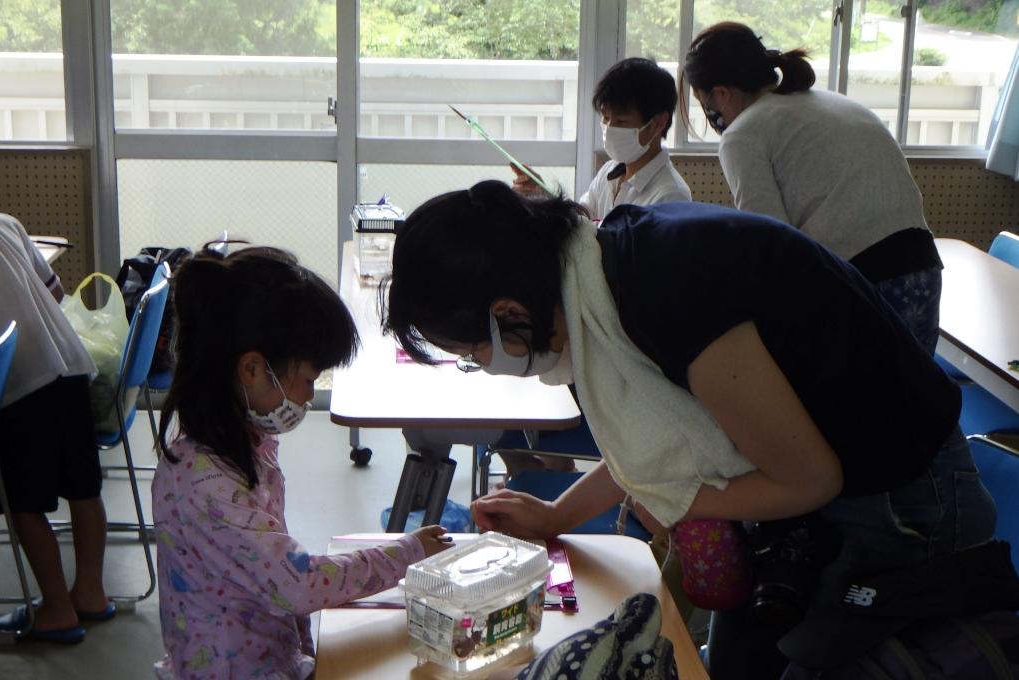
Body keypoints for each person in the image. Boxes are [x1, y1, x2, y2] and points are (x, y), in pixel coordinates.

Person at [382, 181, 1012, 678]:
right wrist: (556, 518)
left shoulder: (665, 283)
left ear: (507, 313)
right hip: (814, 502)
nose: (481, 366)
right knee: (734, 659)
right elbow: (665, 450)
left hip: (902, 506)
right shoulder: (598, 277)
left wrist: (673, 502)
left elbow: (805, 479)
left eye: (471, 350)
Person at [152, 245, 451, 679]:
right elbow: (297, 584)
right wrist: (407, 552)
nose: (309, 396)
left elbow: (273, 579)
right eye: (308, 379)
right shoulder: (203, 481)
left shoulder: (244, 446)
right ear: (252, 369)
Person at [680, 22, 942, 354]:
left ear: (720, 93)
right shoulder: (834, 102)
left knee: (843, 404)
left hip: (859, 282)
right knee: (913, 401)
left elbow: (769, 242)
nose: (712, 114)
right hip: (923, 270)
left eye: (705, 102)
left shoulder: (743, 133)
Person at [0, 213, 113, 644]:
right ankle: (90, 592)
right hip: (69, 365)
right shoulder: (6, 223)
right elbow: (56, 290)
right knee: (84, 488)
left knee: (22, 502)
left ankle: (56, 610)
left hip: (19, 381)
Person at [513, 56, 692, 219]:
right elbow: (582, 220)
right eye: (605, 118)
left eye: (621, 121)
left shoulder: (671, 196)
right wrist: (544, 196)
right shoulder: (610, 171)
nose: (610, 128)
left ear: (658, 123)